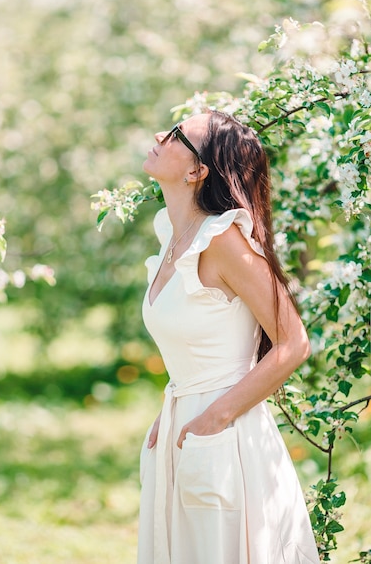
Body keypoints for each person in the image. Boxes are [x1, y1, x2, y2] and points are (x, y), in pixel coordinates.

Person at [137, 111, 320, 564]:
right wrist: (176, 407)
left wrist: (213, 417)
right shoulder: (172, 235)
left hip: (226, 436)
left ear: (197, 171)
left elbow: (293, 342)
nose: (161, 134)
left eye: (178, 135)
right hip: (182, 424)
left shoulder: (224, 241)